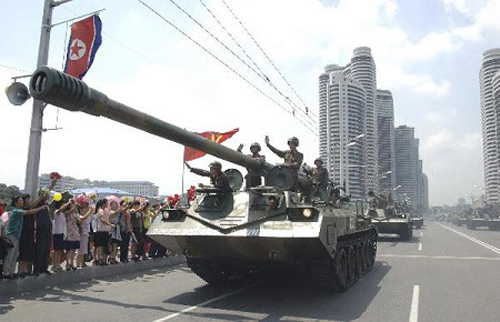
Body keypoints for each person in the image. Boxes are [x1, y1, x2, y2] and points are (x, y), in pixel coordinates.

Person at [2, 195, 47, 279]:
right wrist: (40, 208)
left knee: (15, 255)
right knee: (10, 255)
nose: (22, 202)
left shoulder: (19, 210)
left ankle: (11, 272)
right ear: (15, 203)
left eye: (22, 200)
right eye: (20, 201)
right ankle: (6, 273)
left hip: (17, 235)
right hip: (12, 234)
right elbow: (30, 212)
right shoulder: (15, 210)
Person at [17, 194, 35, 277]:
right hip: (23, 233)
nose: (29, 201)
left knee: (28, 252)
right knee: (23, 253)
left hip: (30, 232)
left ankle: (25, 270)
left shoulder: (30, 209)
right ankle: (20, 271)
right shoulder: (22, 209)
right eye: (27, 199)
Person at [95, 198, 115, 265]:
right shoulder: (100, 210)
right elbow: (102, 219)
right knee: (100, 246)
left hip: (106, 231)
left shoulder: (106, 210)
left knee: (106, 246)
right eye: (107, 203)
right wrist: (110, 224)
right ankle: (99, 259)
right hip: (101, 230)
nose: (107, 204)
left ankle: (104, 260)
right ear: (103, 203)